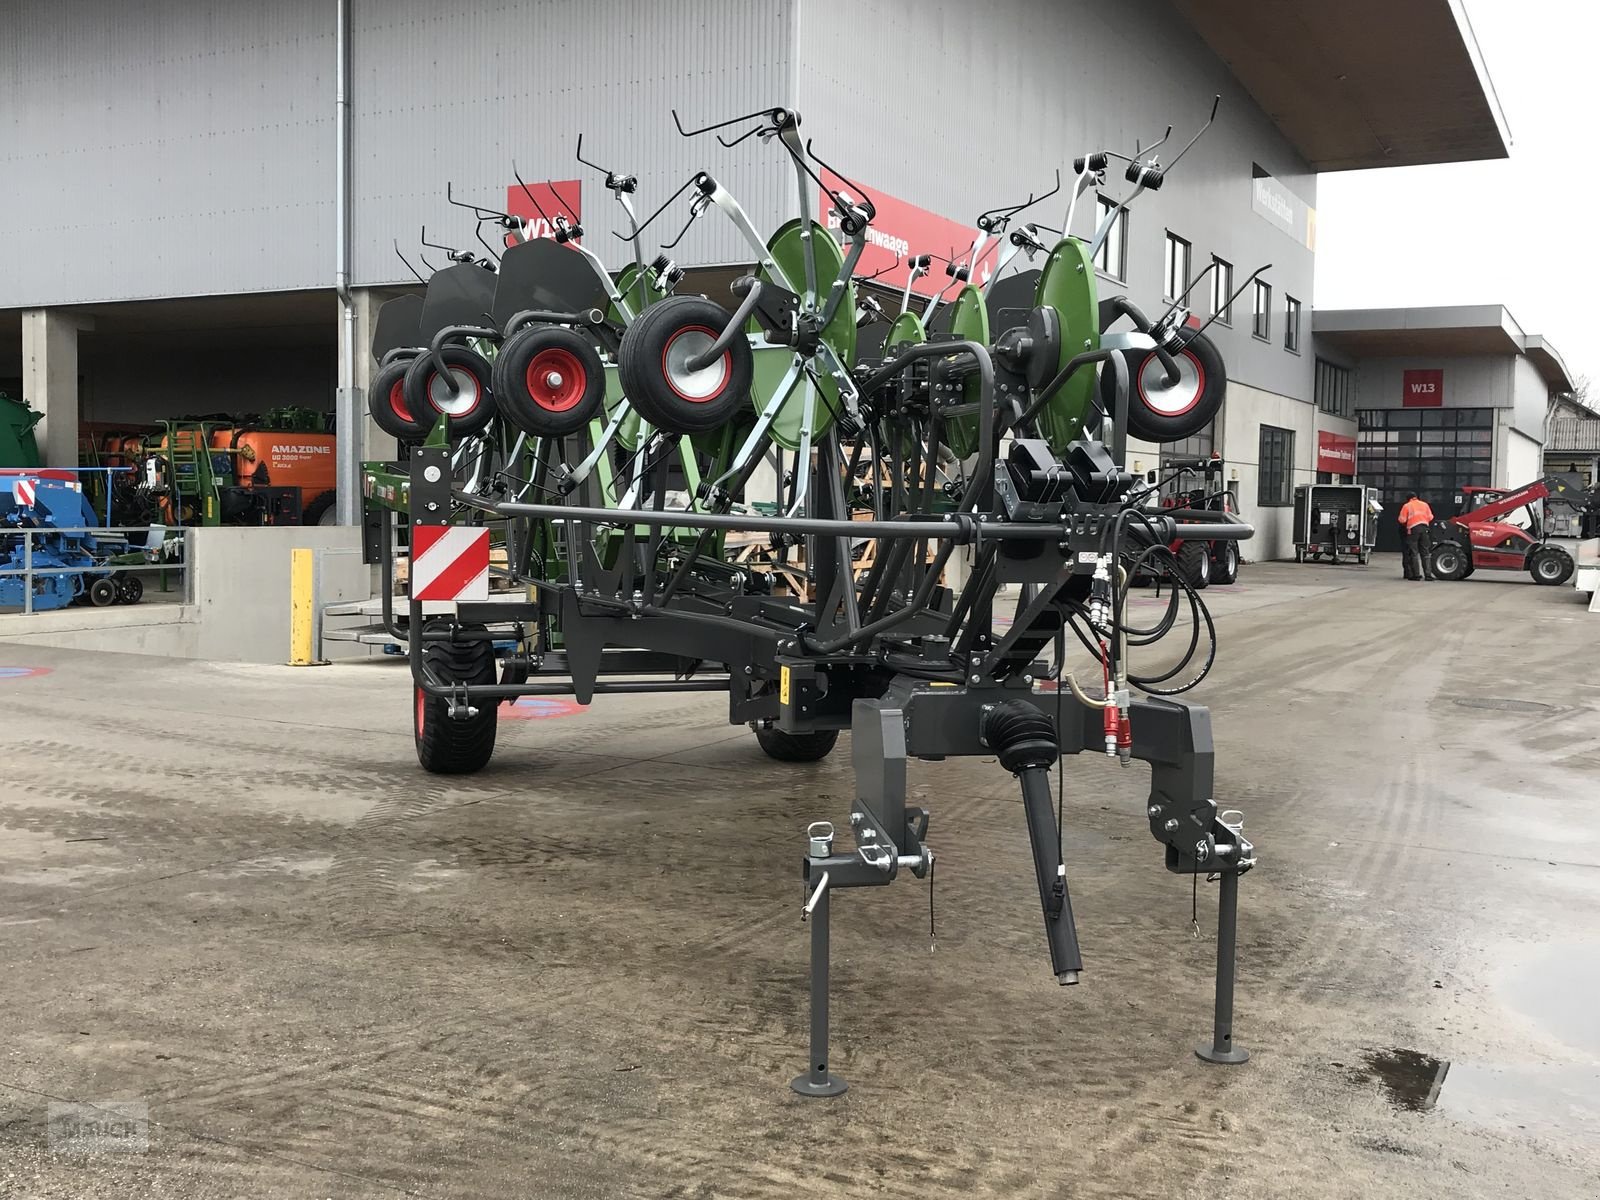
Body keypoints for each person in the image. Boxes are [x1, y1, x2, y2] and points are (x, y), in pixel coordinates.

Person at [1397, 492, 1435, 580]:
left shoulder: (1407, 506)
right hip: (1425, 529)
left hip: (1413, 530)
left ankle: (1416, 575)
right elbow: (1430, 517)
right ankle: (1428, 575)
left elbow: (1402, 520)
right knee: (1425, 552)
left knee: (1413, 552)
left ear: (1408, 499)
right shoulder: (1425, 505)